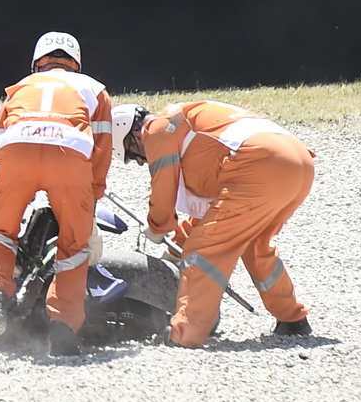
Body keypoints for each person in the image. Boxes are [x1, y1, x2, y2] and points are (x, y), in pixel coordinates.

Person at [112, 100, 316, 349]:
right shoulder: (191, 131)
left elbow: (163, 190)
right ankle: (293, 319)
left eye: (133, 154)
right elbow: (215, 213)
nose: (141, 162)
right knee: (254, 244)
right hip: (297, 163)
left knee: (204, 249)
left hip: (260, 164)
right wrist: (175, 249)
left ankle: (186, 332)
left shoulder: (157, 128)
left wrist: (157, 226)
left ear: (134, 132)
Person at [0, 32, 113, 357]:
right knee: (73, 245)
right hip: (69, 153)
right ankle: (63, 333)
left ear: (37, 63)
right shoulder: (95, 89)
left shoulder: (18, 88)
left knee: (0, 233)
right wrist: (90, 201)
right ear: (75, 64)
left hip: (18, 149)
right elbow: (101, 150)